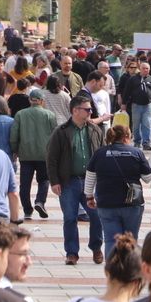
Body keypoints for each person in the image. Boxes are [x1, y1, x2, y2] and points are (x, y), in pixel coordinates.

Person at [48, 96, 107, 265]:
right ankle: (72, 253)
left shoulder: (95, 130)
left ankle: (96, 248)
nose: (90, 112)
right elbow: (51, 158)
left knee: (96, 216)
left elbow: (102, 154)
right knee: (70, 217)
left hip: (91, 181)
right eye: (87, 109)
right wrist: (54, 181)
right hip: (69, 181)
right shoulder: (61, 131)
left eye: (90, 109)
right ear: (75, 110)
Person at [86, 123, 151, 249]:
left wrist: (89, 197)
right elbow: (148, 178)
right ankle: (129, 267)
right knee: (130, 240)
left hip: (106, 203)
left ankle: (112, 267)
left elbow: (90, 176)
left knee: (111, 240)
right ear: (126, 137)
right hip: (132, 204)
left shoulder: (99, 153)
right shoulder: (136, 153)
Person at [10, 88, 57, 220]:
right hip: (44, 154)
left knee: (25, 183)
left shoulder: (20, 114)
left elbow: (14, 135)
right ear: (42, 101)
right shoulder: (49, 115)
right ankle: (40, 201)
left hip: (26, 154)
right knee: (44, 180)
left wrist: (15, 150)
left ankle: (27, 210)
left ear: (30, 100)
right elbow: (55, 135)